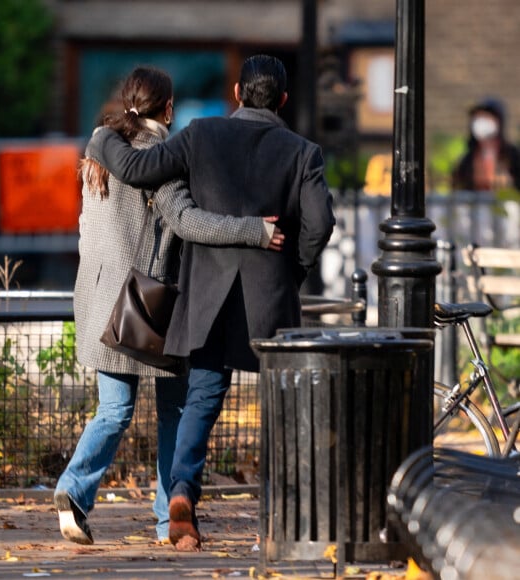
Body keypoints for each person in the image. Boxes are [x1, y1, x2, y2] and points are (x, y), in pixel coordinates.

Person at [86, 54, 336, 551]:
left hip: (208, 298)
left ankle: (182, 498)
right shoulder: (303, 152)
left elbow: (136, 169)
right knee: (283, 403)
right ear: (283, 100)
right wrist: (295, 270)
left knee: (202, 398)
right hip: (271, 296)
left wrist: (101, 137)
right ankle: (284, 516)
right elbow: (320, 224)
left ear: (238, 93)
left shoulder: (200, 135)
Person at [54, 66, 284, 546]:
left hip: (99, 298)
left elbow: (84, 226)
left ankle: (73, 491)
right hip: (152, 305)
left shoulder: (99, 150)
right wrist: (255, 230)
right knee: (174, 413)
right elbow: (189, 221)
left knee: (114, 409)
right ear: (170, 108)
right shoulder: (161, 159)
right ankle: (166, 522)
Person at [451, 97, 520, 192]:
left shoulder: (513, 155)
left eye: (486, 117)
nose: (481, 122)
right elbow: (458, 189)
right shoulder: (467, 160)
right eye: (478, 117)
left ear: (498, 121)